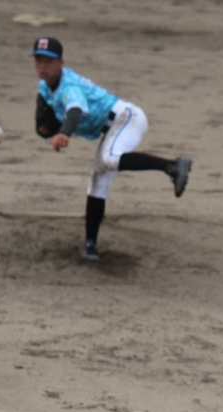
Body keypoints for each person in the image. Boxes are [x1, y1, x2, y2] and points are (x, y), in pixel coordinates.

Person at [31, 37, 193, 260]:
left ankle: (173, 166)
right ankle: (90, 246)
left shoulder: (69, 85)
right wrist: (47, 129)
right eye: (39, 61)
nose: (43, 66)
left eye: (48, 61)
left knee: (109, 158)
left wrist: (64, 133)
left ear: (60, 62)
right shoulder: (44, 86)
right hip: (113, 128)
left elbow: (74, 112)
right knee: (97, 182)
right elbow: (43, 123)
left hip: (126, 119)